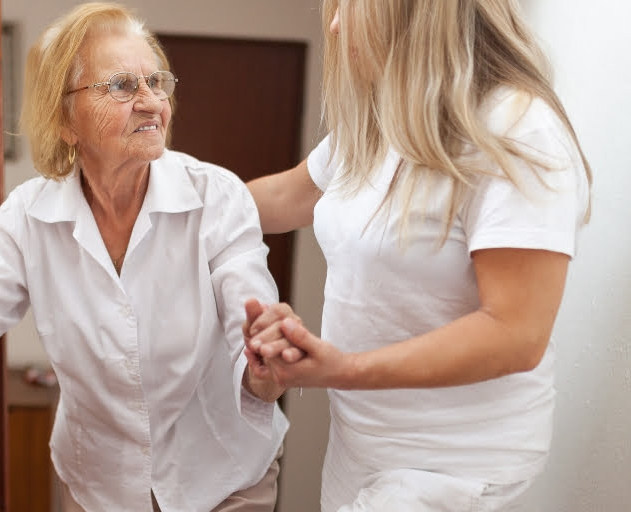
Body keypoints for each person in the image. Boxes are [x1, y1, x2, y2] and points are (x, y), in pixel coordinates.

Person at [0, 3, 288, 511]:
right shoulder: (29, 217)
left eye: (157, 81)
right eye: (122, 86)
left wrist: (264, 365)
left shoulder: (218, 197)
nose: (151, 102)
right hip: (98, 488)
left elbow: (250, 331)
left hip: (223, 479)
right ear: (64, 120)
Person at [243, 1, 592, 511]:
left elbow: (516, 333)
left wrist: (342, 368)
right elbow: (285, 199)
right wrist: (162, 193)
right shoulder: (384, 119)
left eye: (350, 6)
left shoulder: (516, 131)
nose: (336, 25)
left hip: (452, 470)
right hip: (359, 449)